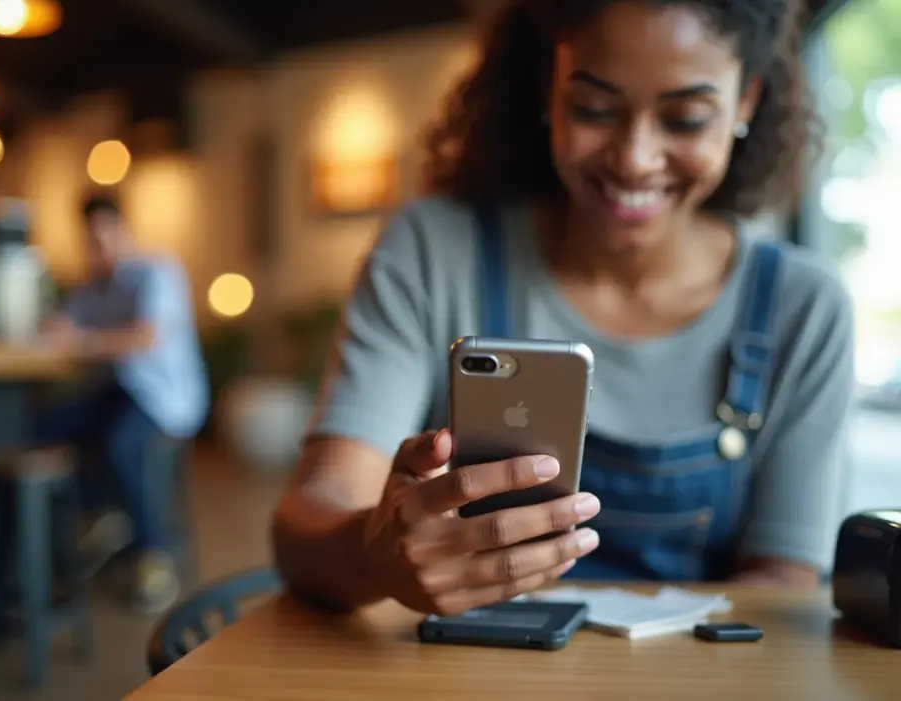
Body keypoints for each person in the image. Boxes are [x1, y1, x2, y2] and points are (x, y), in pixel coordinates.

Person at [271, 0, 855, 616]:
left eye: (684, 119)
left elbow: (783, 590)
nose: (635, 157)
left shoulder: (801, 308)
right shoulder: (433, 253)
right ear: (545, 88)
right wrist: (373, 555)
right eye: (594, 109)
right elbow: (307, 521)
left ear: (746, 103)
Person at [35, 194, 209, 614]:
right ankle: (100, 514)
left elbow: (143, 338)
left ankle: (153, 559)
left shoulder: (156, 271)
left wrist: (81, 340)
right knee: (43, 429)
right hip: (119, 393)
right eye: (90, 240)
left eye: (103, 237)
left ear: (122, 230)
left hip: (165, 396)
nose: (98, 248)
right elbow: (59, 325)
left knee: (121, 445)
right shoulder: (92, 286)